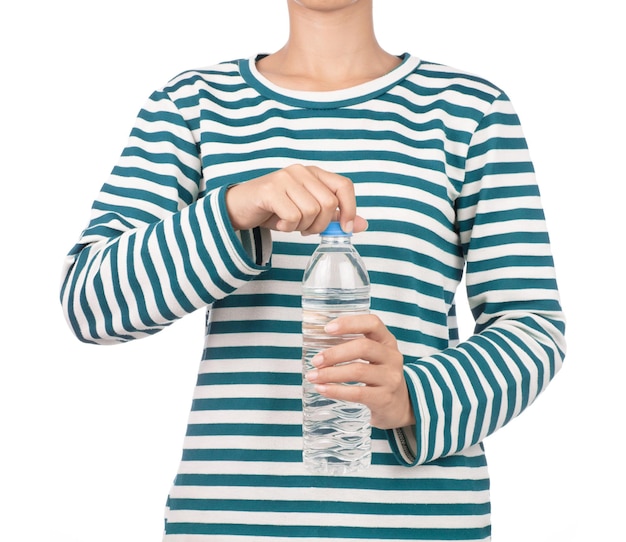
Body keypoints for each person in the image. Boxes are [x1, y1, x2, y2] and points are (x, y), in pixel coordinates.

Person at [60, 0, 566, 540]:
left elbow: (533, 327)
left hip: (415, 521)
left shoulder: (470, 109)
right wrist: (232, 209)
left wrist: (411, 398)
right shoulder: (192, 104)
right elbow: (90, 305)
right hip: (233, 520)